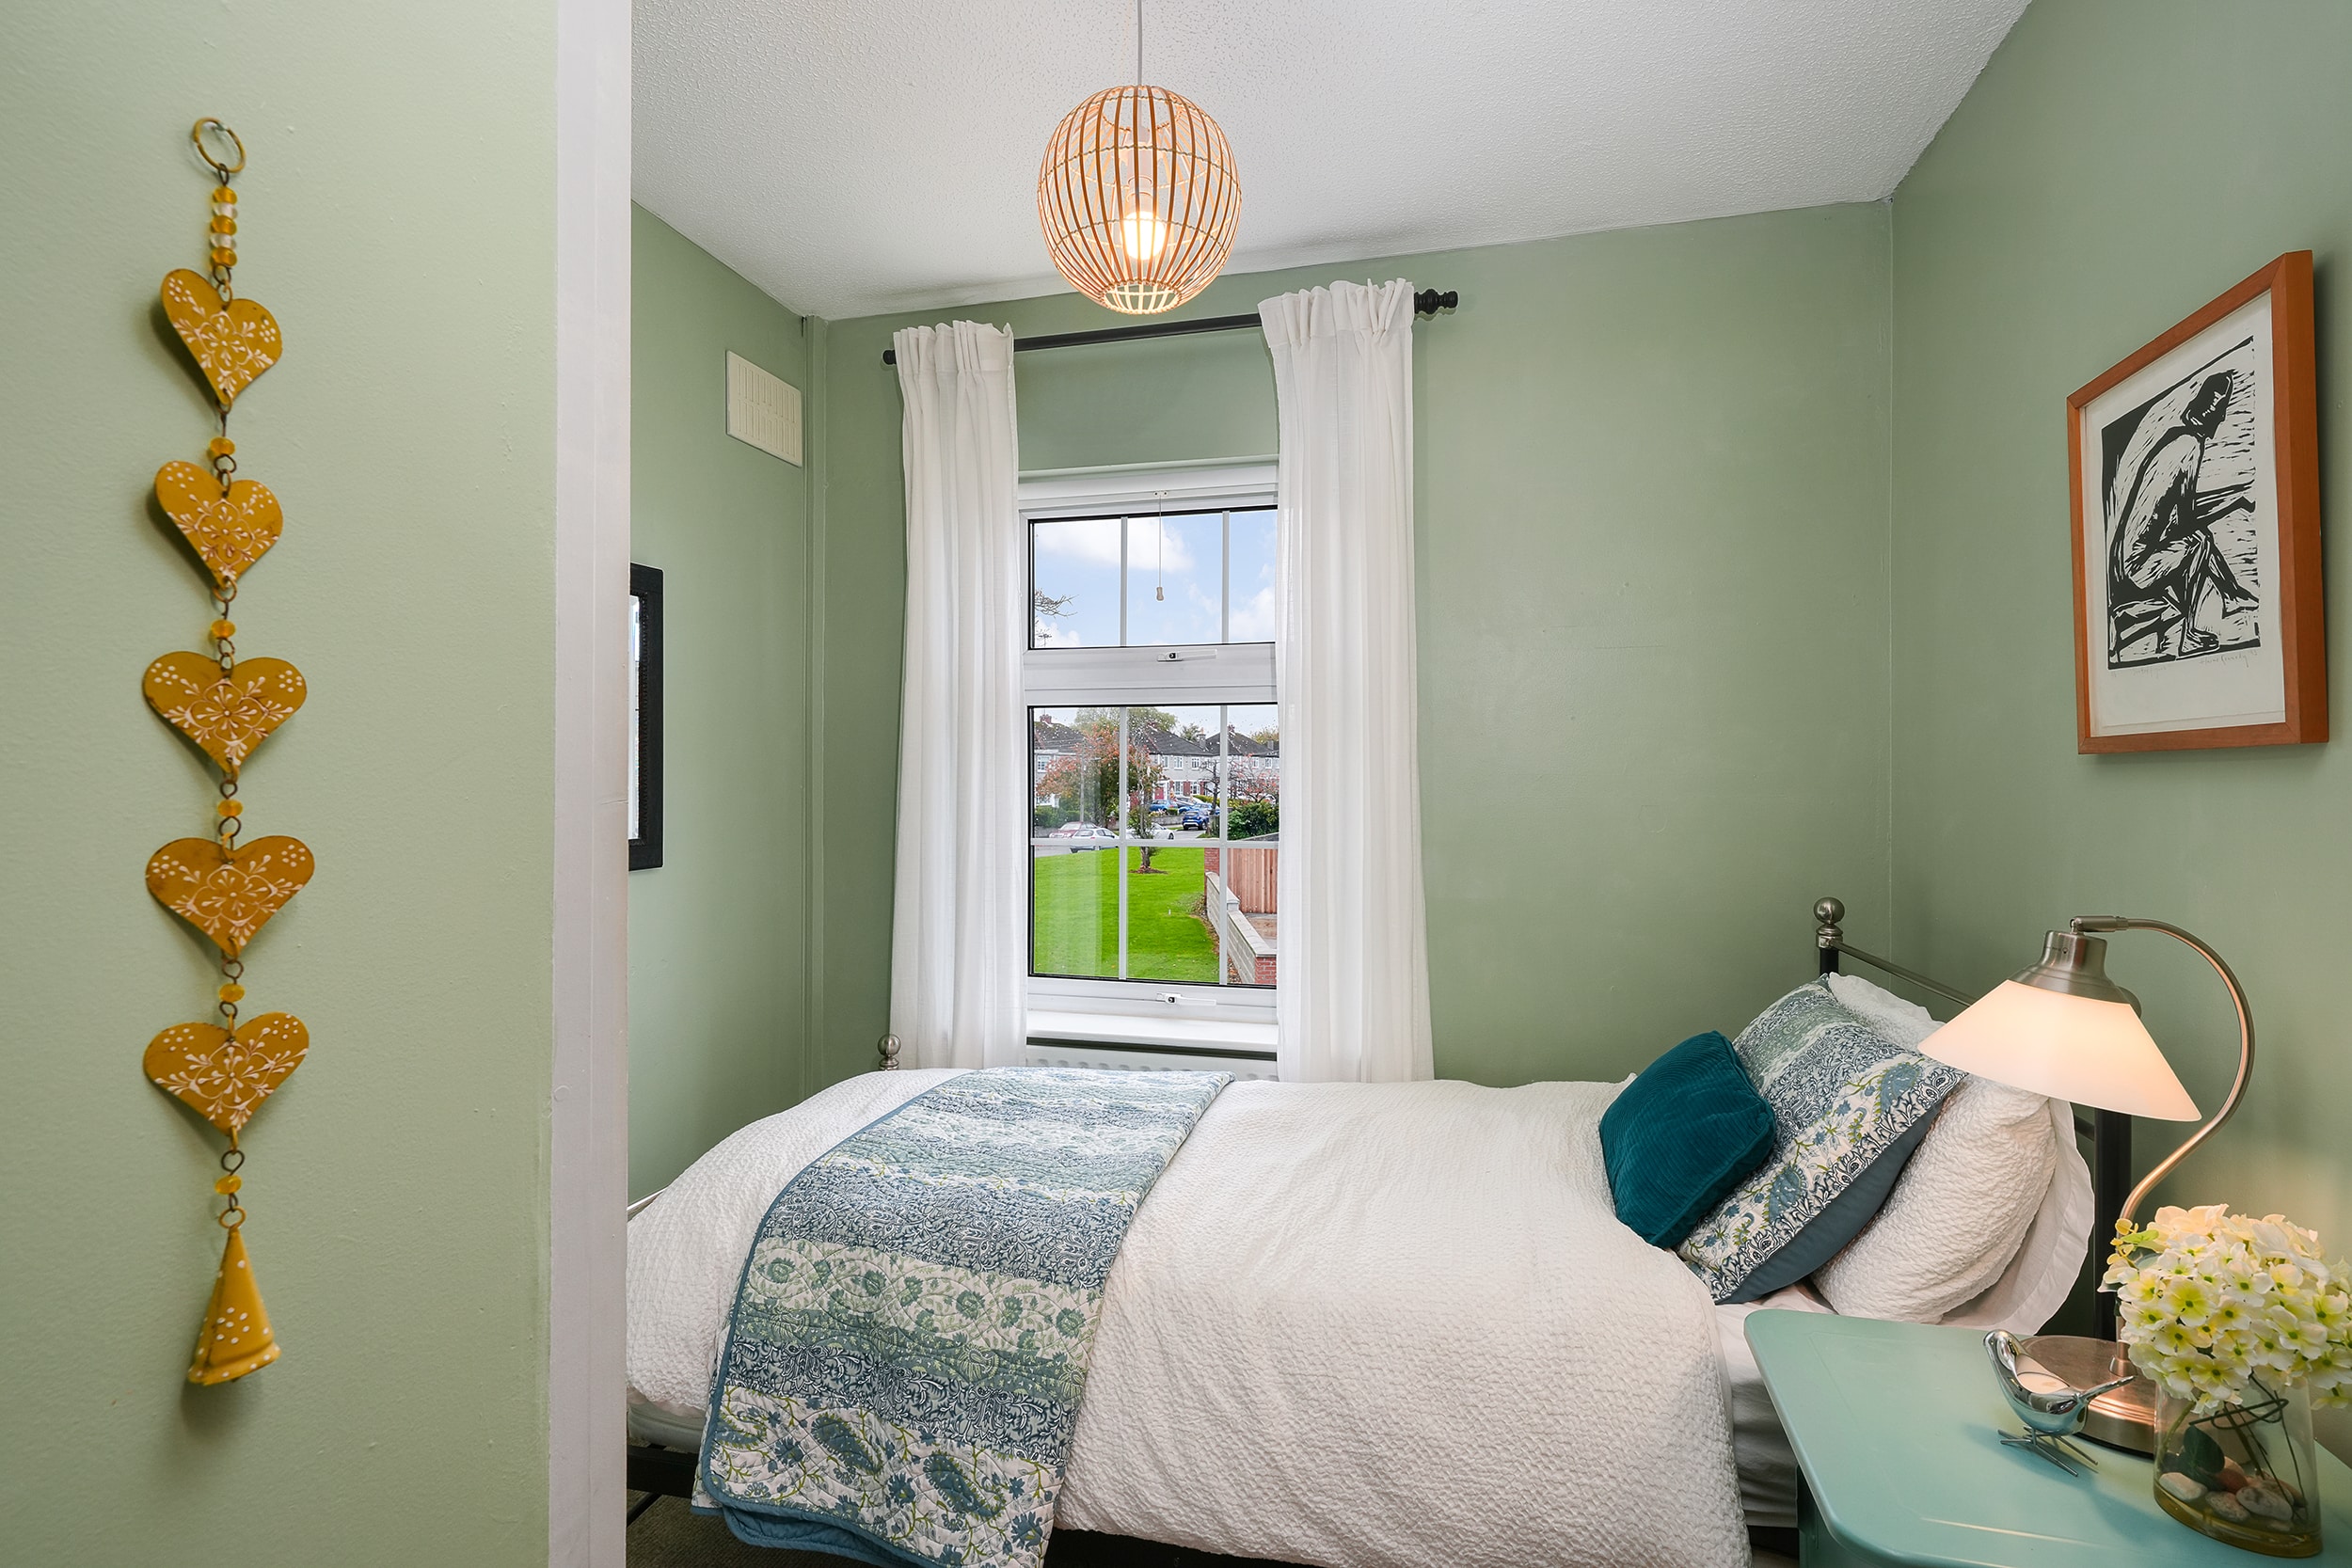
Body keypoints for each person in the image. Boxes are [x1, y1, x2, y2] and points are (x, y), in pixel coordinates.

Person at [2107, 372, 2259, 660]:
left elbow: (2178, 514)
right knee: (2198, 541)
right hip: (2136, 569)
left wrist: (2234, 497)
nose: (2223, 418)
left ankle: (2231, 594)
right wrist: (2233, 503)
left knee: (2197, 539)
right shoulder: (2190, 446)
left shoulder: (2176, 439)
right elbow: (2187, 521)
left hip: (2125, 562)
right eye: (2221, 410)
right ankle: (2189, 635)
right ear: (2211, 412)